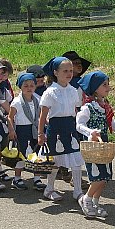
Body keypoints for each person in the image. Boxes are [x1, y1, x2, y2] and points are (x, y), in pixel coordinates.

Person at [76, 71, 115, 218]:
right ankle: (87, 199)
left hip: (104, 145)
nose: (108, 87)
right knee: (99, 177)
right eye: (104, 85)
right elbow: (79, 124)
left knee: (105, 177)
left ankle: (96, 202)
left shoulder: (105, 106)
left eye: (107, 84)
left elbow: (113, 124)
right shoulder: (88, 107)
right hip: (93, 145)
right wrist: (90, 132)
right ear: (95, 88)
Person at [37, 57, 85, 201]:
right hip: (55, 129)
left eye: (70, 70)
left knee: (76, 159)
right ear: (56, 73)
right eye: (65, 71)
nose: (69, 73)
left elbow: (75, 110)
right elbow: (43, 114)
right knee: (55, 161)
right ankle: (49, 188)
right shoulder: (50, 92)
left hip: (70, 128)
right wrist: (40, 133)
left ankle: (77, 190)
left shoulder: (73, 90)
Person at [7, 72, 46, 191]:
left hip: (34, 129)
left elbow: (41, 115)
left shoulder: (37, 100)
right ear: (20, 87)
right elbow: (10, 117)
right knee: (21, 154)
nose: (29, 88)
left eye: (31, 85)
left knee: (36, 153)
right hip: (22, 129)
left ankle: (36, 178)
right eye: (26, 86)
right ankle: (17, 177)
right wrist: (11, 130)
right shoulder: (17, 102)